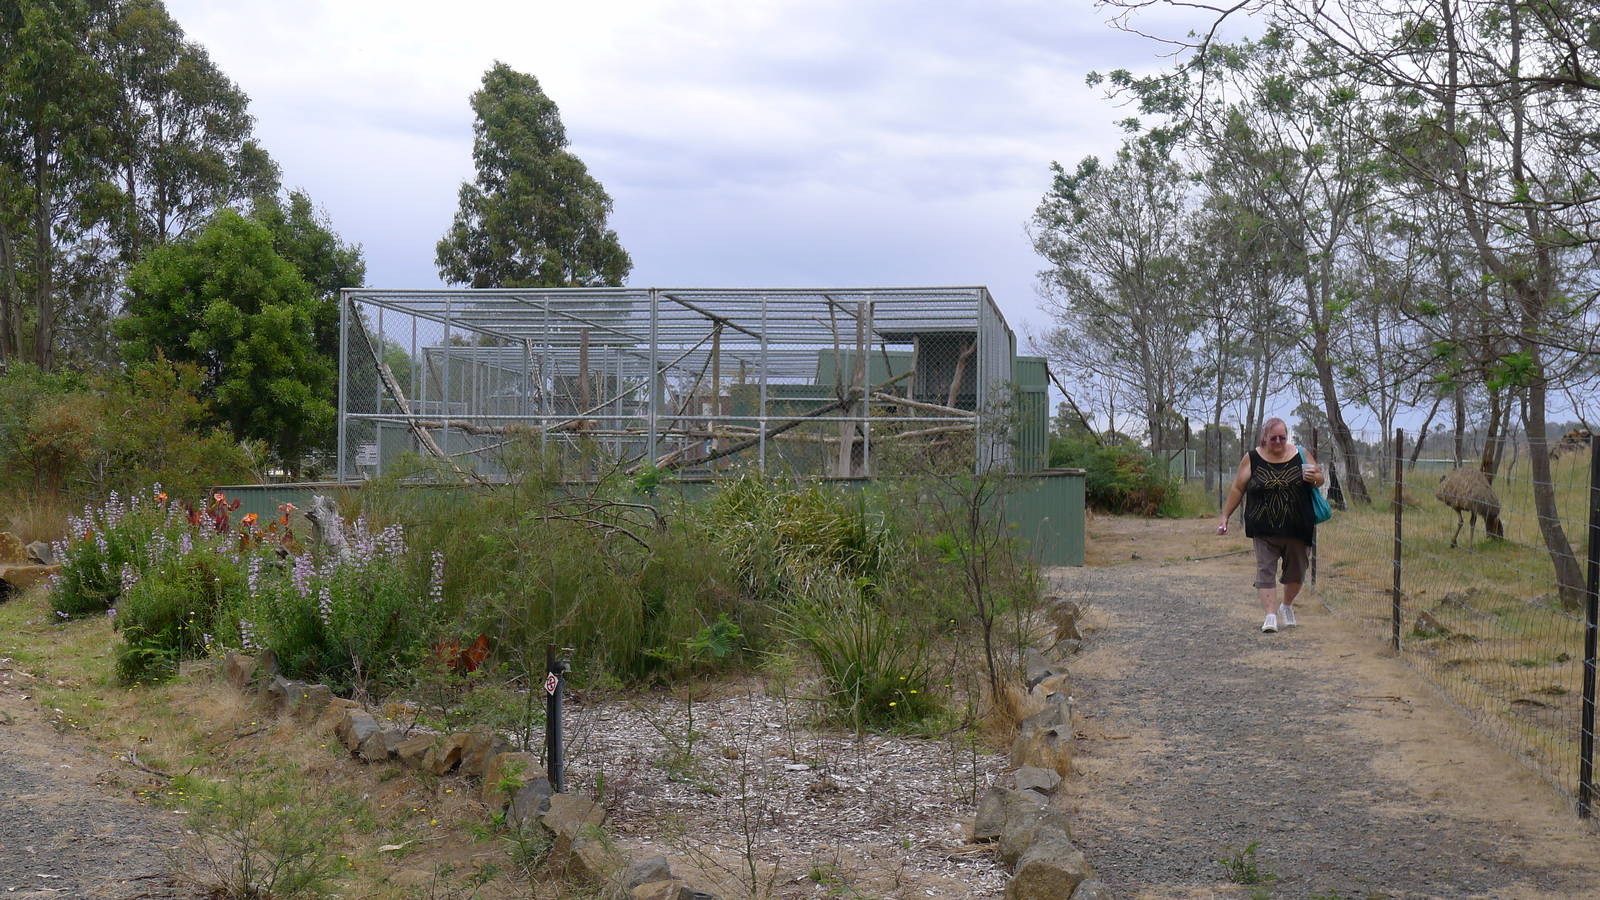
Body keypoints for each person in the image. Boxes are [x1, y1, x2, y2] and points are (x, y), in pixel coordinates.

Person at [1216, 417, 1325, 633]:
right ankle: (1270, 615)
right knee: (1265, 569)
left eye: (1282, 438)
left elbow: (1320, 479)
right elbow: (1238, 488)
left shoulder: (1301, 454)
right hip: (1263, 527)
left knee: (1297, 572)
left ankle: (1287, 605)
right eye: (1273, 438)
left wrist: (1315, 477)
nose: (1278, 442)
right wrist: (1225, 516)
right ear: (1265, 437)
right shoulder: (1252, 458)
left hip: (1298, 527)